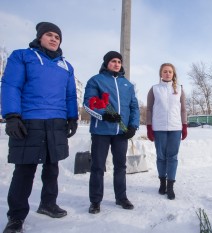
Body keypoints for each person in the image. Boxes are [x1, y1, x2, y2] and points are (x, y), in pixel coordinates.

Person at [1, 22, 78, 233]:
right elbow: (11, 85)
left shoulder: (66, 66)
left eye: (58, 37)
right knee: (24, 170)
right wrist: (12, 116)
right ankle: (16, 217)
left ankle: (48, 203)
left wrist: (72, 118)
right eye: (50, 35)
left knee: (52, 168)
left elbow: (70, 94)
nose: (54, 39)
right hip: (29, 121)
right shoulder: (22, 56)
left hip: (56, 122)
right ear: (39, 37)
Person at [83, 51, 140, 214]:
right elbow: (88, 103)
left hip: (121, 133)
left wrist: (133, 126)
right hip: (101, 131)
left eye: (119, 62)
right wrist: (104, 114)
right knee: (98, 167)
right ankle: (95, 201)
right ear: (106, 63)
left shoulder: (128, 85)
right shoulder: (96, 80)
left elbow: (134, 107)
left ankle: (121, 197)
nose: (117, 64)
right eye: (113, 61)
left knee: (120, 166)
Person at [146, 63, 187, 200]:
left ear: (173, 74)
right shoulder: (154, 89)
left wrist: (184, 125)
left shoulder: (180, 89)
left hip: (175, 128)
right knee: (161, 156)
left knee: (173, 157)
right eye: (165, 71)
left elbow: (183, 110)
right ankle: (162, 183)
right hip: (159, 128)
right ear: (161, 73)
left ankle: (170, 186)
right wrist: (149, 127)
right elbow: (149, 109)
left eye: (170, 72)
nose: (167, 74)